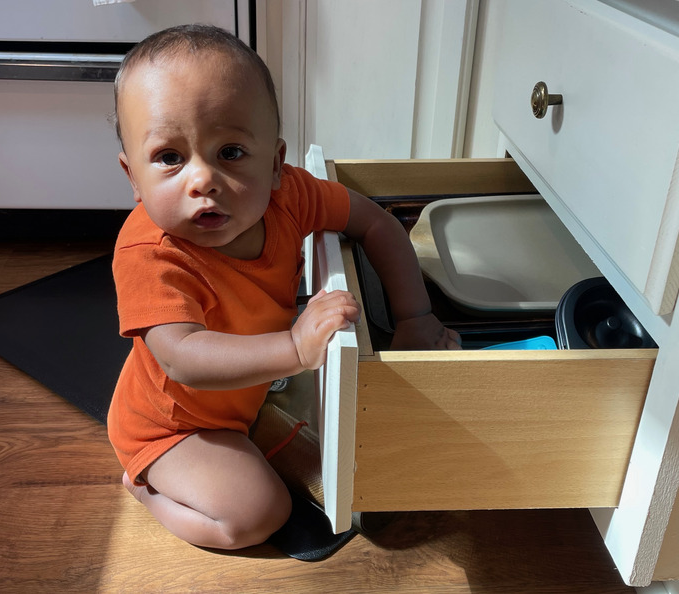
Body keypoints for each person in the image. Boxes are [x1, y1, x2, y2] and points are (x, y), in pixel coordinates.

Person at [107, 23, 461, 551]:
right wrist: (296, 347)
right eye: (169, 157)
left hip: (244, 397)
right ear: (133, 177)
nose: (201, 178)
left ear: (275, 164)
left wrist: (415, 317)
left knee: (351, 443)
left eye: (230, 152)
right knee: (257, 515)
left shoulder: (288, 196)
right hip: (173, 427)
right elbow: (181, 357)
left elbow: (378, 224)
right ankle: (147, 489)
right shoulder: (149, 255)